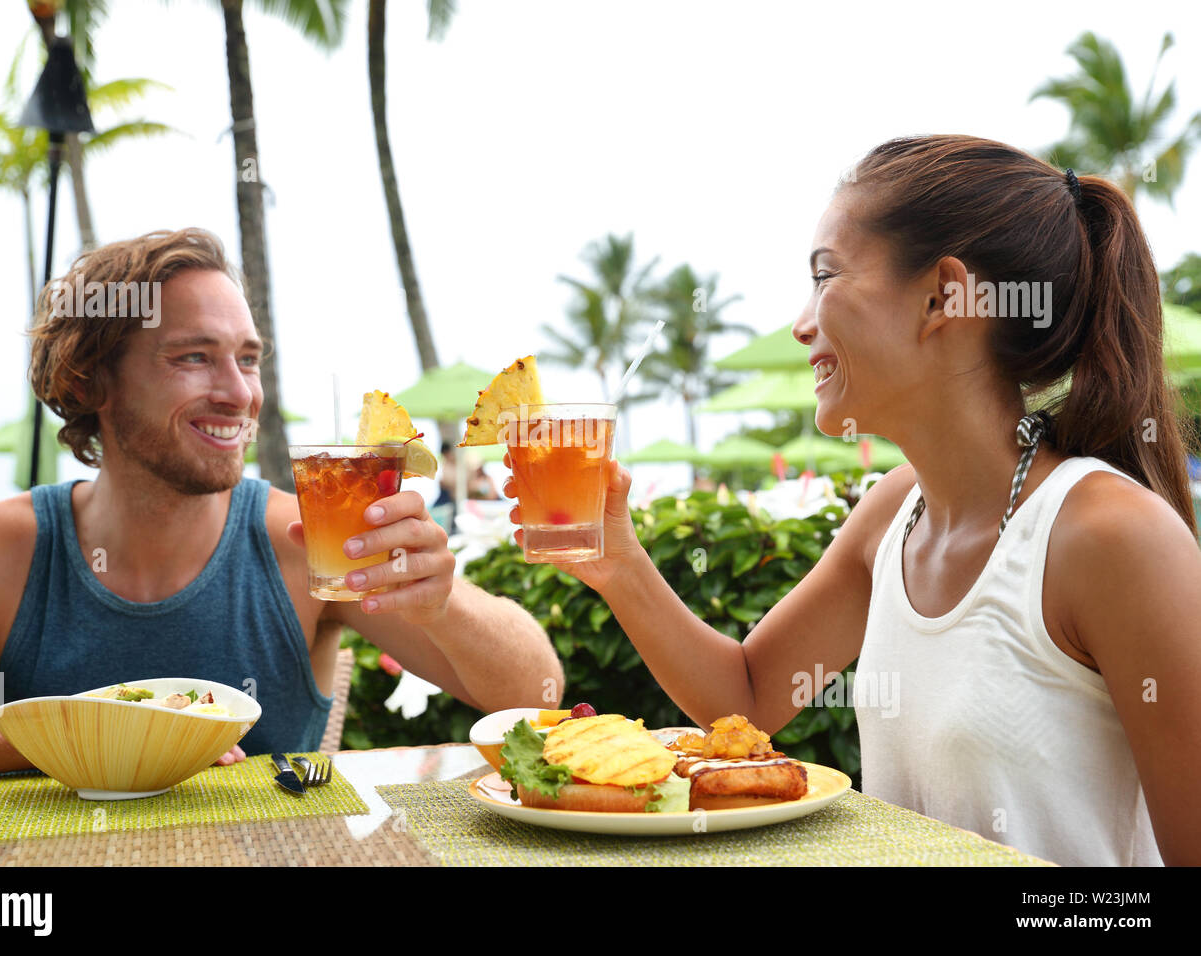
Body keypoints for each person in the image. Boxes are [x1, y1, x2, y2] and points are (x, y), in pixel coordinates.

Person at [503, 135, 1201, 867]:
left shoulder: (1110, 537)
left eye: (824, 276)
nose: (802, 324)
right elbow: (747, 694)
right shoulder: (894, 514)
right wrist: (619, 563)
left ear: (942, 297)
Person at [0, 228, 562, 785]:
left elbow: (537, 698)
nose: (239, 393)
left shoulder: (307, 540)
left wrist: (442, 604)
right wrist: (71, 737)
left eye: (248, 360)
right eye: (194, 357)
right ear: (90, 380)